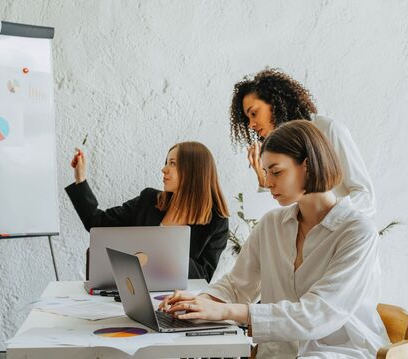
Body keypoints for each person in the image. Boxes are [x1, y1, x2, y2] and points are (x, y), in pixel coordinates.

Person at [160, 121, 389, 358]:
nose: (268, 182)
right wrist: (197, 302)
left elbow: (318, 315)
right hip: (279, 350)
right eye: (266, 172)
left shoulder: (357, 232)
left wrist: (225, 311)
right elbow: (238, 284)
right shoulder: (271, 224)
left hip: (340, 351)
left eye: (276, 171)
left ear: (308, 165)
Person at [65, 141, 230, 282]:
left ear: (194, 171)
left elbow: (203, 277)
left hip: (176, 300)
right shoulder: (149, 200)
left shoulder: (216, 221)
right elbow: (96, 223)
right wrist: (81, 178)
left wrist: (167, 248)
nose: (164, 169)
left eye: (172, 163)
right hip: (133, 291)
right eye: (166, 162)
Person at [230, 68, 376, 217]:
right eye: (247, 119)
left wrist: (327, 220)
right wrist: (263, 178)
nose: (251, 124)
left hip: (339, 235)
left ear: (275, 103)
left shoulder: (327, 130)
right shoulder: (274, 151)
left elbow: (365, 197)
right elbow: (269, 219)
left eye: (253, 113)